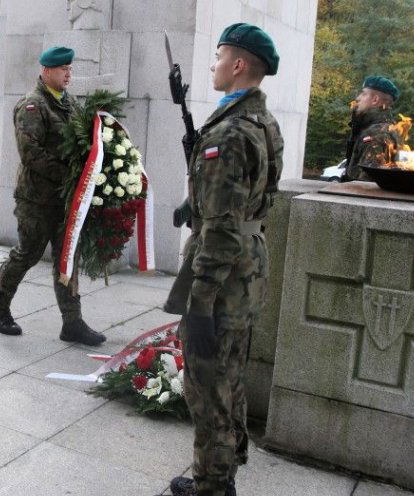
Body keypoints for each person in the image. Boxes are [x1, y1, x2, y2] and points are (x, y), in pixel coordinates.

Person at [162, 23, 283, 496]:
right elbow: (250, 197)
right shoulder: (261, 121)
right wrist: (195, 202)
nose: (212, 67)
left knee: (205, 382)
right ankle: (230, 458)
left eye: (217, 57)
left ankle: (212, 484)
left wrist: (201, 299)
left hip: (224, 273)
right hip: (250, 266)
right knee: (230, 371)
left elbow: (223, 226)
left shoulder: (229, 132)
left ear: (237, 65)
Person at [0, 46, 105, 346]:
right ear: (46, 70)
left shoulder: (70, 105)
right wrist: (71, 177)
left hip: (65, 200)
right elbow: (31, 154)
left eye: (70, 69)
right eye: (63, 69)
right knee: (28, 253)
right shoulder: (32, 106)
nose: (68, 74)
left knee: (67, 258)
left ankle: (72, 322)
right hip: (36, 200)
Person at [343, 76, 403, 181]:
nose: (358, 98)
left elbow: (367, 185)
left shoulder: (376, 135)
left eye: (364, 93)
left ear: (375, 100)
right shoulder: (388, 128)